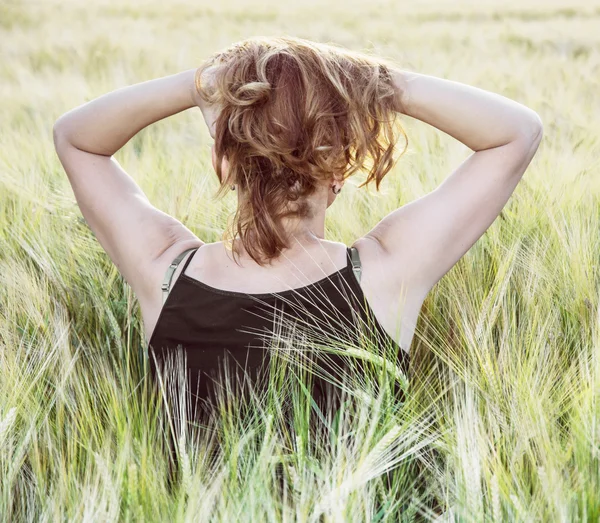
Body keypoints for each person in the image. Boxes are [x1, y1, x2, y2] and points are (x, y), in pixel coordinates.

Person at [52, 33, 542, 453]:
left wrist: (200, 84)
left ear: (222, 164)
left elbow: (74, 137)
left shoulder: (163, 271)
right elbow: (516, 132)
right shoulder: (386, 272)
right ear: (338, 171)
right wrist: (367, 82)